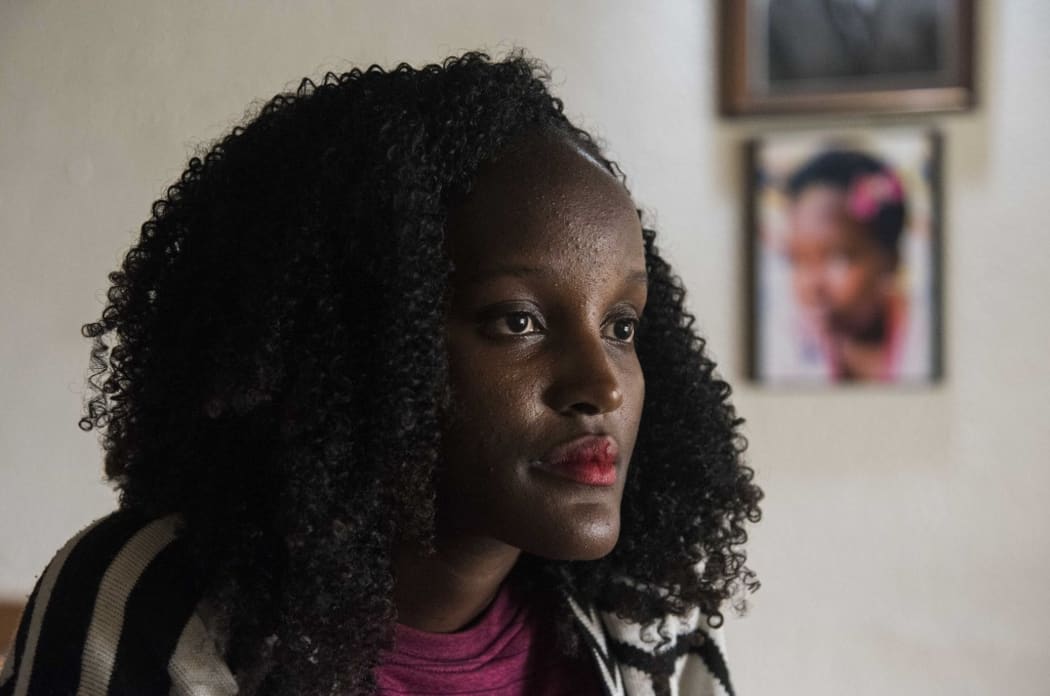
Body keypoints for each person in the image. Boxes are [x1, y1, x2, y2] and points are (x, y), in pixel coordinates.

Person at [0, 52, 762, 695]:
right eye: (517, 321)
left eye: (621, 327)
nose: (604, 384)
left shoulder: (648, 630)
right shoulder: (148, 604)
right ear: (359, 341)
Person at [778, 149, 915, 382]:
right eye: (798, 259)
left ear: (890, 260)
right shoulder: (785, 349)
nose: (812, 285)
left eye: (837, 259)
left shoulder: (921, 342)